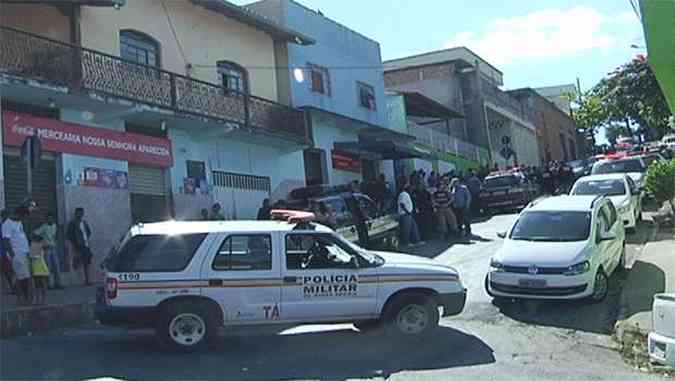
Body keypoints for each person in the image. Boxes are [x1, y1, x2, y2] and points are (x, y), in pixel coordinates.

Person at [2, 206, 32, 305]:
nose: (24, 219)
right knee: (22, 278)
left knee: (24, 278)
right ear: (18, 214)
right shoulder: (7, 224)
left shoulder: (19, 222)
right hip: (17, 255)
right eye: (24, 216)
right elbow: (6, 241)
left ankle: (25, 299)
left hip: (24, 254)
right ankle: (20, 299)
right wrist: (13, 256)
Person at [33, 212, 63, 289]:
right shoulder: (44, 226)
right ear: (47, 219)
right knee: (47, 267)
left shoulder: (54, 226)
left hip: (53, 248)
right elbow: (35, 233)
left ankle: (58, 283)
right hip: (46, 249)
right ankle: (48, 284)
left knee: (57, 266)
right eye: (49, 218)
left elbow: (55, 236)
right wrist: (42, 242)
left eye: (51, 218)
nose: (50, 220)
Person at [67, 207, 93, 286]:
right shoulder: (72, 223)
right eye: (79, 213)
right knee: (78, 263)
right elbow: (69, 234)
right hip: (78, 246)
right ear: (76, 214)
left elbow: (89, 232)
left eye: (82, 213)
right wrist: (75, 243)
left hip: (86, 245)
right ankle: (81, 280)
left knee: (87, 262)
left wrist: (86, 239)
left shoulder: (84, 223)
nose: (80, 215)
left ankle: (87, 280)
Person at [397, 182, 422, 246]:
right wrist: (407, 212)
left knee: (414, 228)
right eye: (410, 187)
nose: (411, 189)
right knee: (406, 229)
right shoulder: (403, 194)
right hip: (405, 214)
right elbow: (402, 204)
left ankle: (417, 241)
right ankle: (406, 242)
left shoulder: (407, 194)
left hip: (409, 214)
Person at [29, 236, 50, 305]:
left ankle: (40, 299)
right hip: (39, 267)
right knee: (40, 284)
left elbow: (33, 257)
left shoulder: (35, 246)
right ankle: (41, 299)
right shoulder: (38, 246)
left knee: (39, 284)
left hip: (38, 267)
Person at [0, 209, 15, 294]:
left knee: (8, 272)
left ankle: (12, 288)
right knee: (7, 272)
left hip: (6, 252)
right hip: (3, 252)